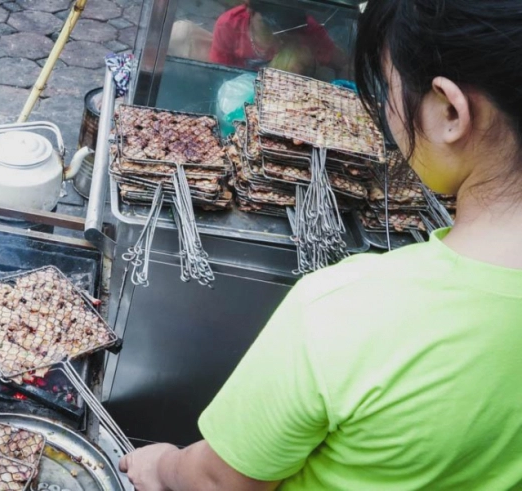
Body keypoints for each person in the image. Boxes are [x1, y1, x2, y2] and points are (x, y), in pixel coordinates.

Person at [120, 0, 522, 489]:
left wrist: (160, 466)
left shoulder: (346, 310)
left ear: (448, 111)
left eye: (388, 89)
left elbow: (219, 482)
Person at [209, 0, 346, 76]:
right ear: (250, 9)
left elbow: (344, 64)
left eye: (285, 26)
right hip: (238, 85)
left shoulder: (308, 29)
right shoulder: (229, 24)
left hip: (283, 95)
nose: (277, 32)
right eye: (269, 24)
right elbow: (219, 72)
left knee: (296, 55)